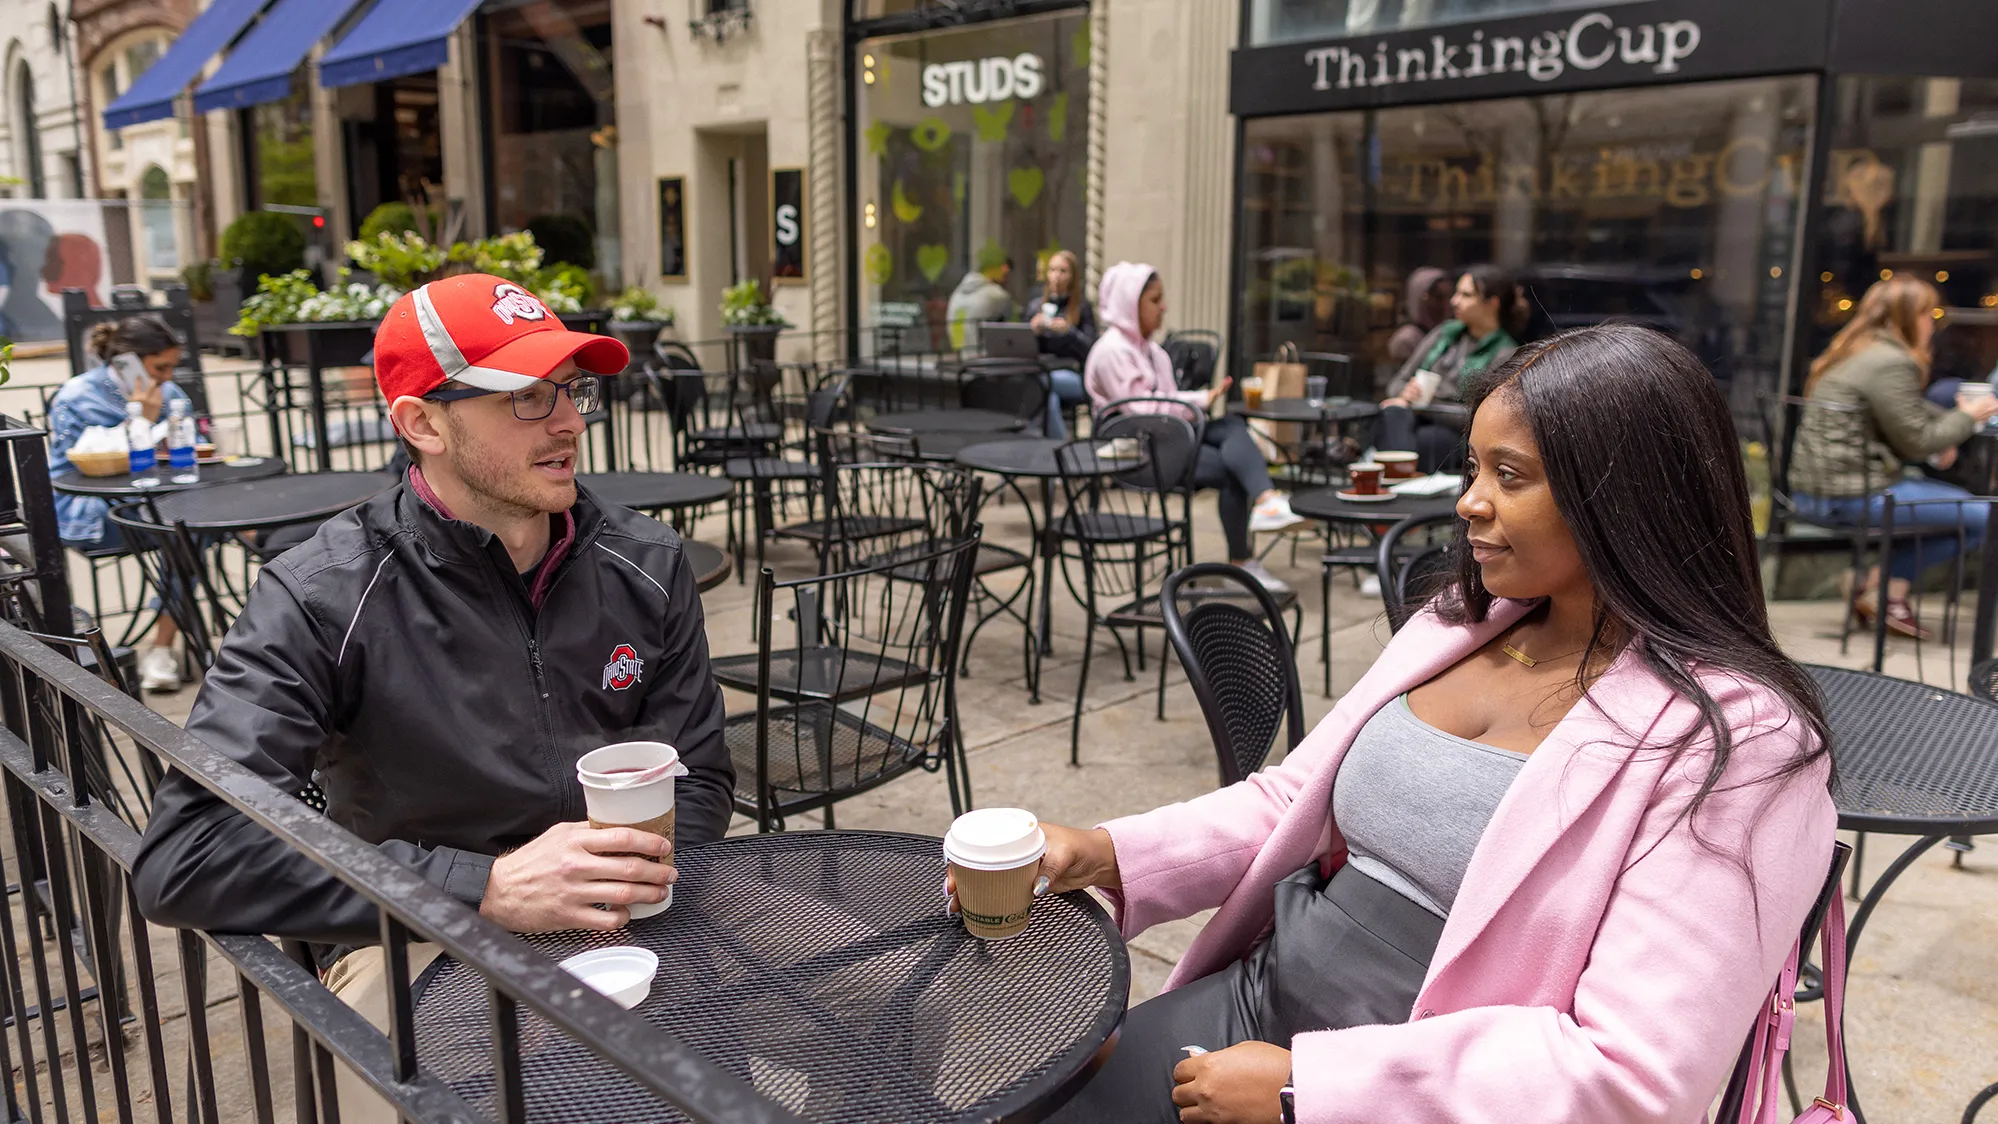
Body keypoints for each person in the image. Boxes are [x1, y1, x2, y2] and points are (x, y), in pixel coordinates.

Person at [1033, 324, 1836, 1123]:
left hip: (1404, 1091)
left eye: (1509, 475)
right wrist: (1107, 851)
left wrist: (1307, 1091)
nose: (1468, 501)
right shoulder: (1459, 626)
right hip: (1254, 1006)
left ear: (1623, 497)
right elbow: (1293, 798)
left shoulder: (1742, 746)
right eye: (1473, 466)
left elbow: (1632, 1074)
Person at [133, 273, 734, 1052]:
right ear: (422, 422)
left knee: (896, 993)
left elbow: (704, 776)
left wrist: (622, 883)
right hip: (423, 933)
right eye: (526, 396)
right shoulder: (323, 593)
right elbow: (189, 856)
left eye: (571, 390)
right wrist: (481, 888)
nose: (567, 423)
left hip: (644, 908)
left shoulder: (645, 558)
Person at [1790, 276, 1997, 640]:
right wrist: (1969, 417)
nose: (1933, 324)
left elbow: (1909, 414)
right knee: (1984, 514)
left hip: (1817, 489)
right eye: (1927, 314)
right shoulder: (1891, 362)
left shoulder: (1856, 349)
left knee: (1949, 503)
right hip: (1850, 496)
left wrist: (1947, 427)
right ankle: (1886, 589)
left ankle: (1871, 583)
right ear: (1907, 317)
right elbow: (1917, 441)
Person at [1085, 262, 1303, 591]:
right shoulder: (1113, 351)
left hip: (1166, 438)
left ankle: (1266, 501)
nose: (1164, 308)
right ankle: (1243, 562)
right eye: (1155, 300)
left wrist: (1201, 400)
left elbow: (1166, 403)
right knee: (1233, 468)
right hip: (1138, 454)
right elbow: (1144, 410)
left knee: (1231, 424)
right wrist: (1199, 400)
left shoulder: (1153, 351)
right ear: (1130, 303)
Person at [46, 314, 192, 691]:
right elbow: (72, 470)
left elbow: (187, 453)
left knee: (190, 528)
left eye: (173, 367)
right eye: (161, 367)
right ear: (125, 360)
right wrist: (140, 423)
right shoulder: (78, 396)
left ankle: (163, 646)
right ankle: (163, 647)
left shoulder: (171, 396)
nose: (168, 377)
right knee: (183, 531)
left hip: (153, 505)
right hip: (90, 515)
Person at [1377, 265, 1522, 474]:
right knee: (1392, 413)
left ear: (1492, 303)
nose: (1454, 301)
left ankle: (1398, 477)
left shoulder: (1505, 352)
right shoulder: (1443, 334)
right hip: (1415, 419)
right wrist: (1405, 394)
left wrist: (1426, 403)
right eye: (1456, 293)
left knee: (1423, 438)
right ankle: (1404, 479)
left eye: (1466, 295)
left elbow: (1481, 416)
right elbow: (1397, 383)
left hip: (1458, 434)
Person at [1028, 249, 1098, 440]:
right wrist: (1032, 332)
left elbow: (1091, 349)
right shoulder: (1036, 306)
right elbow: (1026, 350)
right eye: (1052, 270)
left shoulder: (1082, 307)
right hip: (1044, 369)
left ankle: (1041, 441)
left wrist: (1069, 332)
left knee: (1040, 384)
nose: (1056, 276)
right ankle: (1057, 448)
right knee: (1047, 396)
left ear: (1072, 276)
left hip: (1075, 374)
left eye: (1062, 271)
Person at [1384, 267, 1450, 367]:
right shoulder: (1406, 339)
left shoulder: (1448, 334)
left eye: (1448, 296)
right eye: (1438, 297)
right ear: (1418, 298)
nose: (1445, 304)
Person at [945, 256, 1014, 350]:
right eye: (1006, 275)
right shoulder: (997, 294)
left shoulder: (957, 292)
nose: (1007, 280)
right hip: (983, 356)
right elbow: (1014, 325)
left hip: (959, 353)